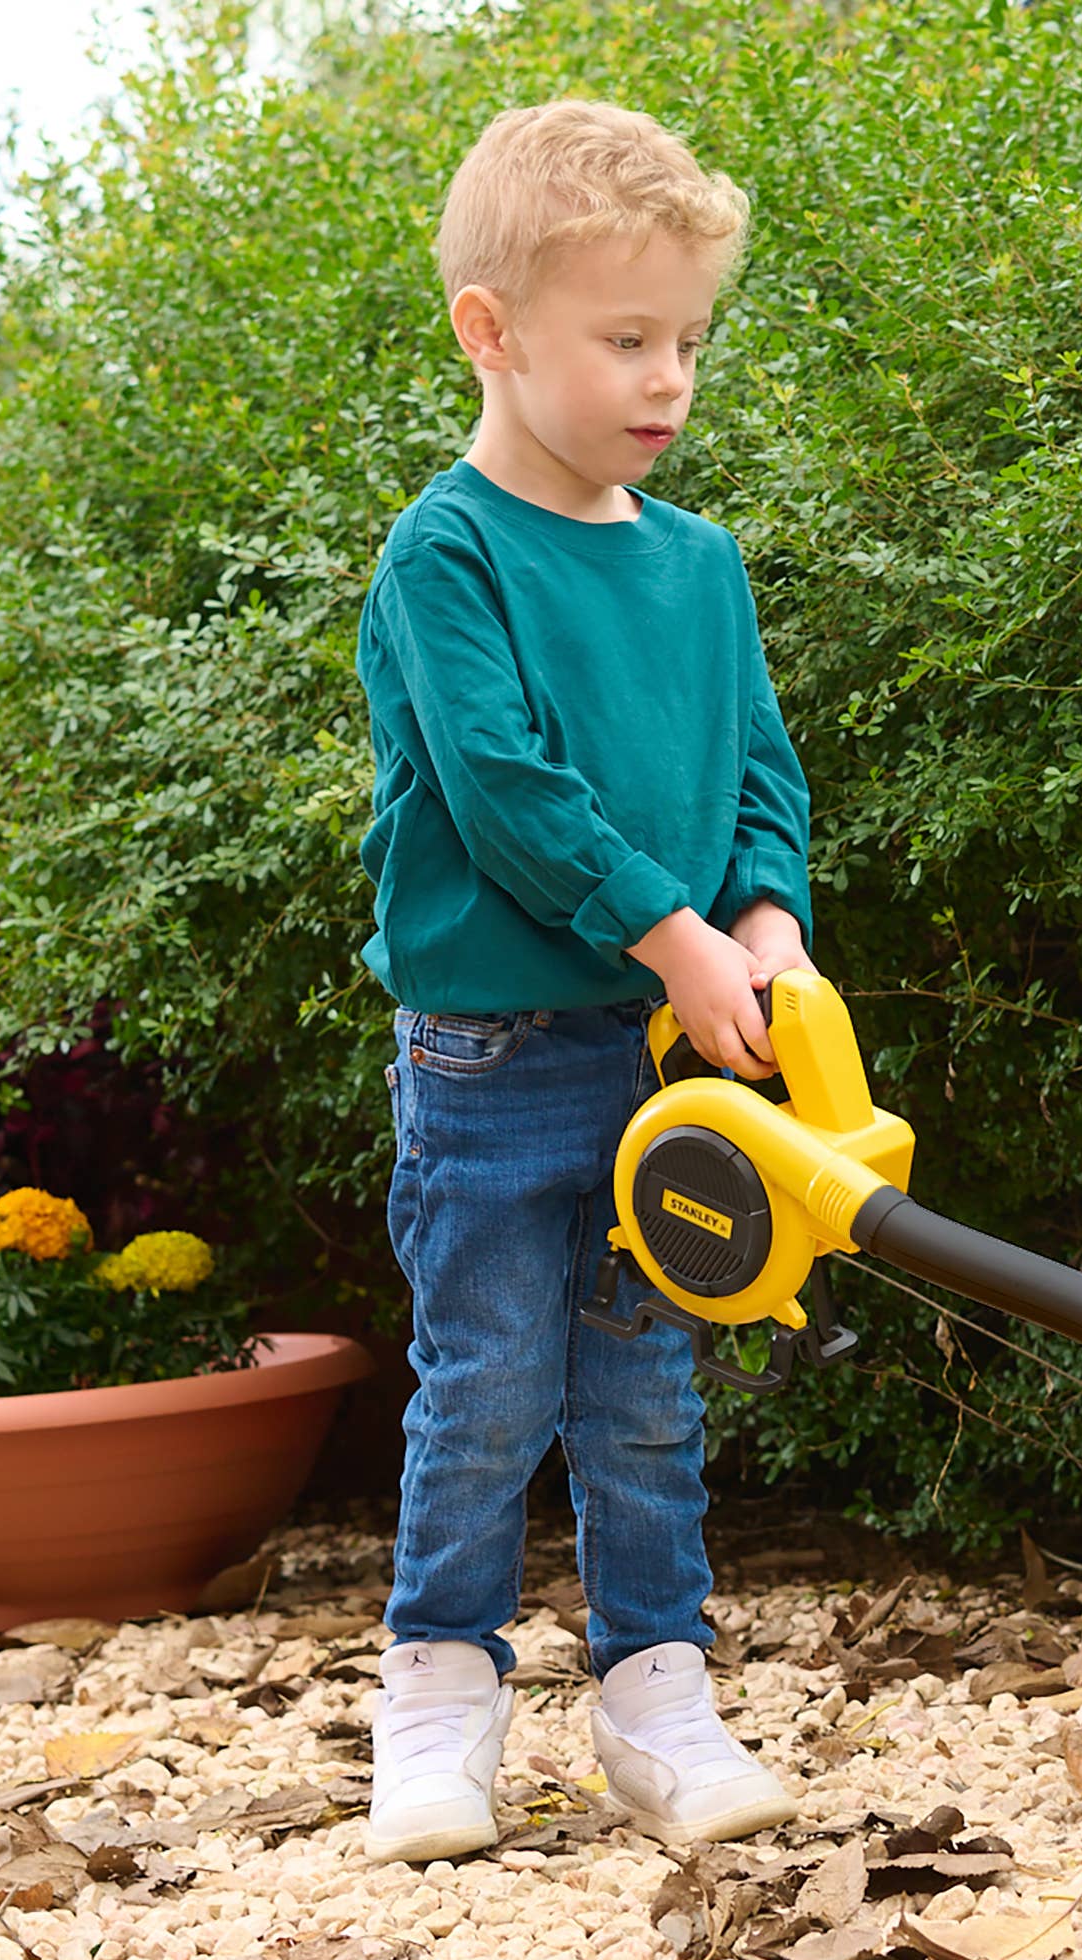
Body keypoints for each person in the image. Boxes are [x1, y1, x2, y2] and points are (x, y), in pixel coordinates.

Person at [352, 98, 817, 1865]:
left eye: (687, 339)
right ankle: (441, 1695)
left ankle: (658, 1698)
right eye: (627, 338)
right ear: (493, 331)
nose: (668, 377)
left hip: (666, 1052)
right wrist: (676, 932)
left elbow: (762, 767)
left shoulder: (700, 567)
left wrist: (762, 917)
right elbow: (506, 788)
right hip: (491, 1058)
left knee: (643, 1389)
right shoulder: (447, 554)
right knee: (485, 1383)